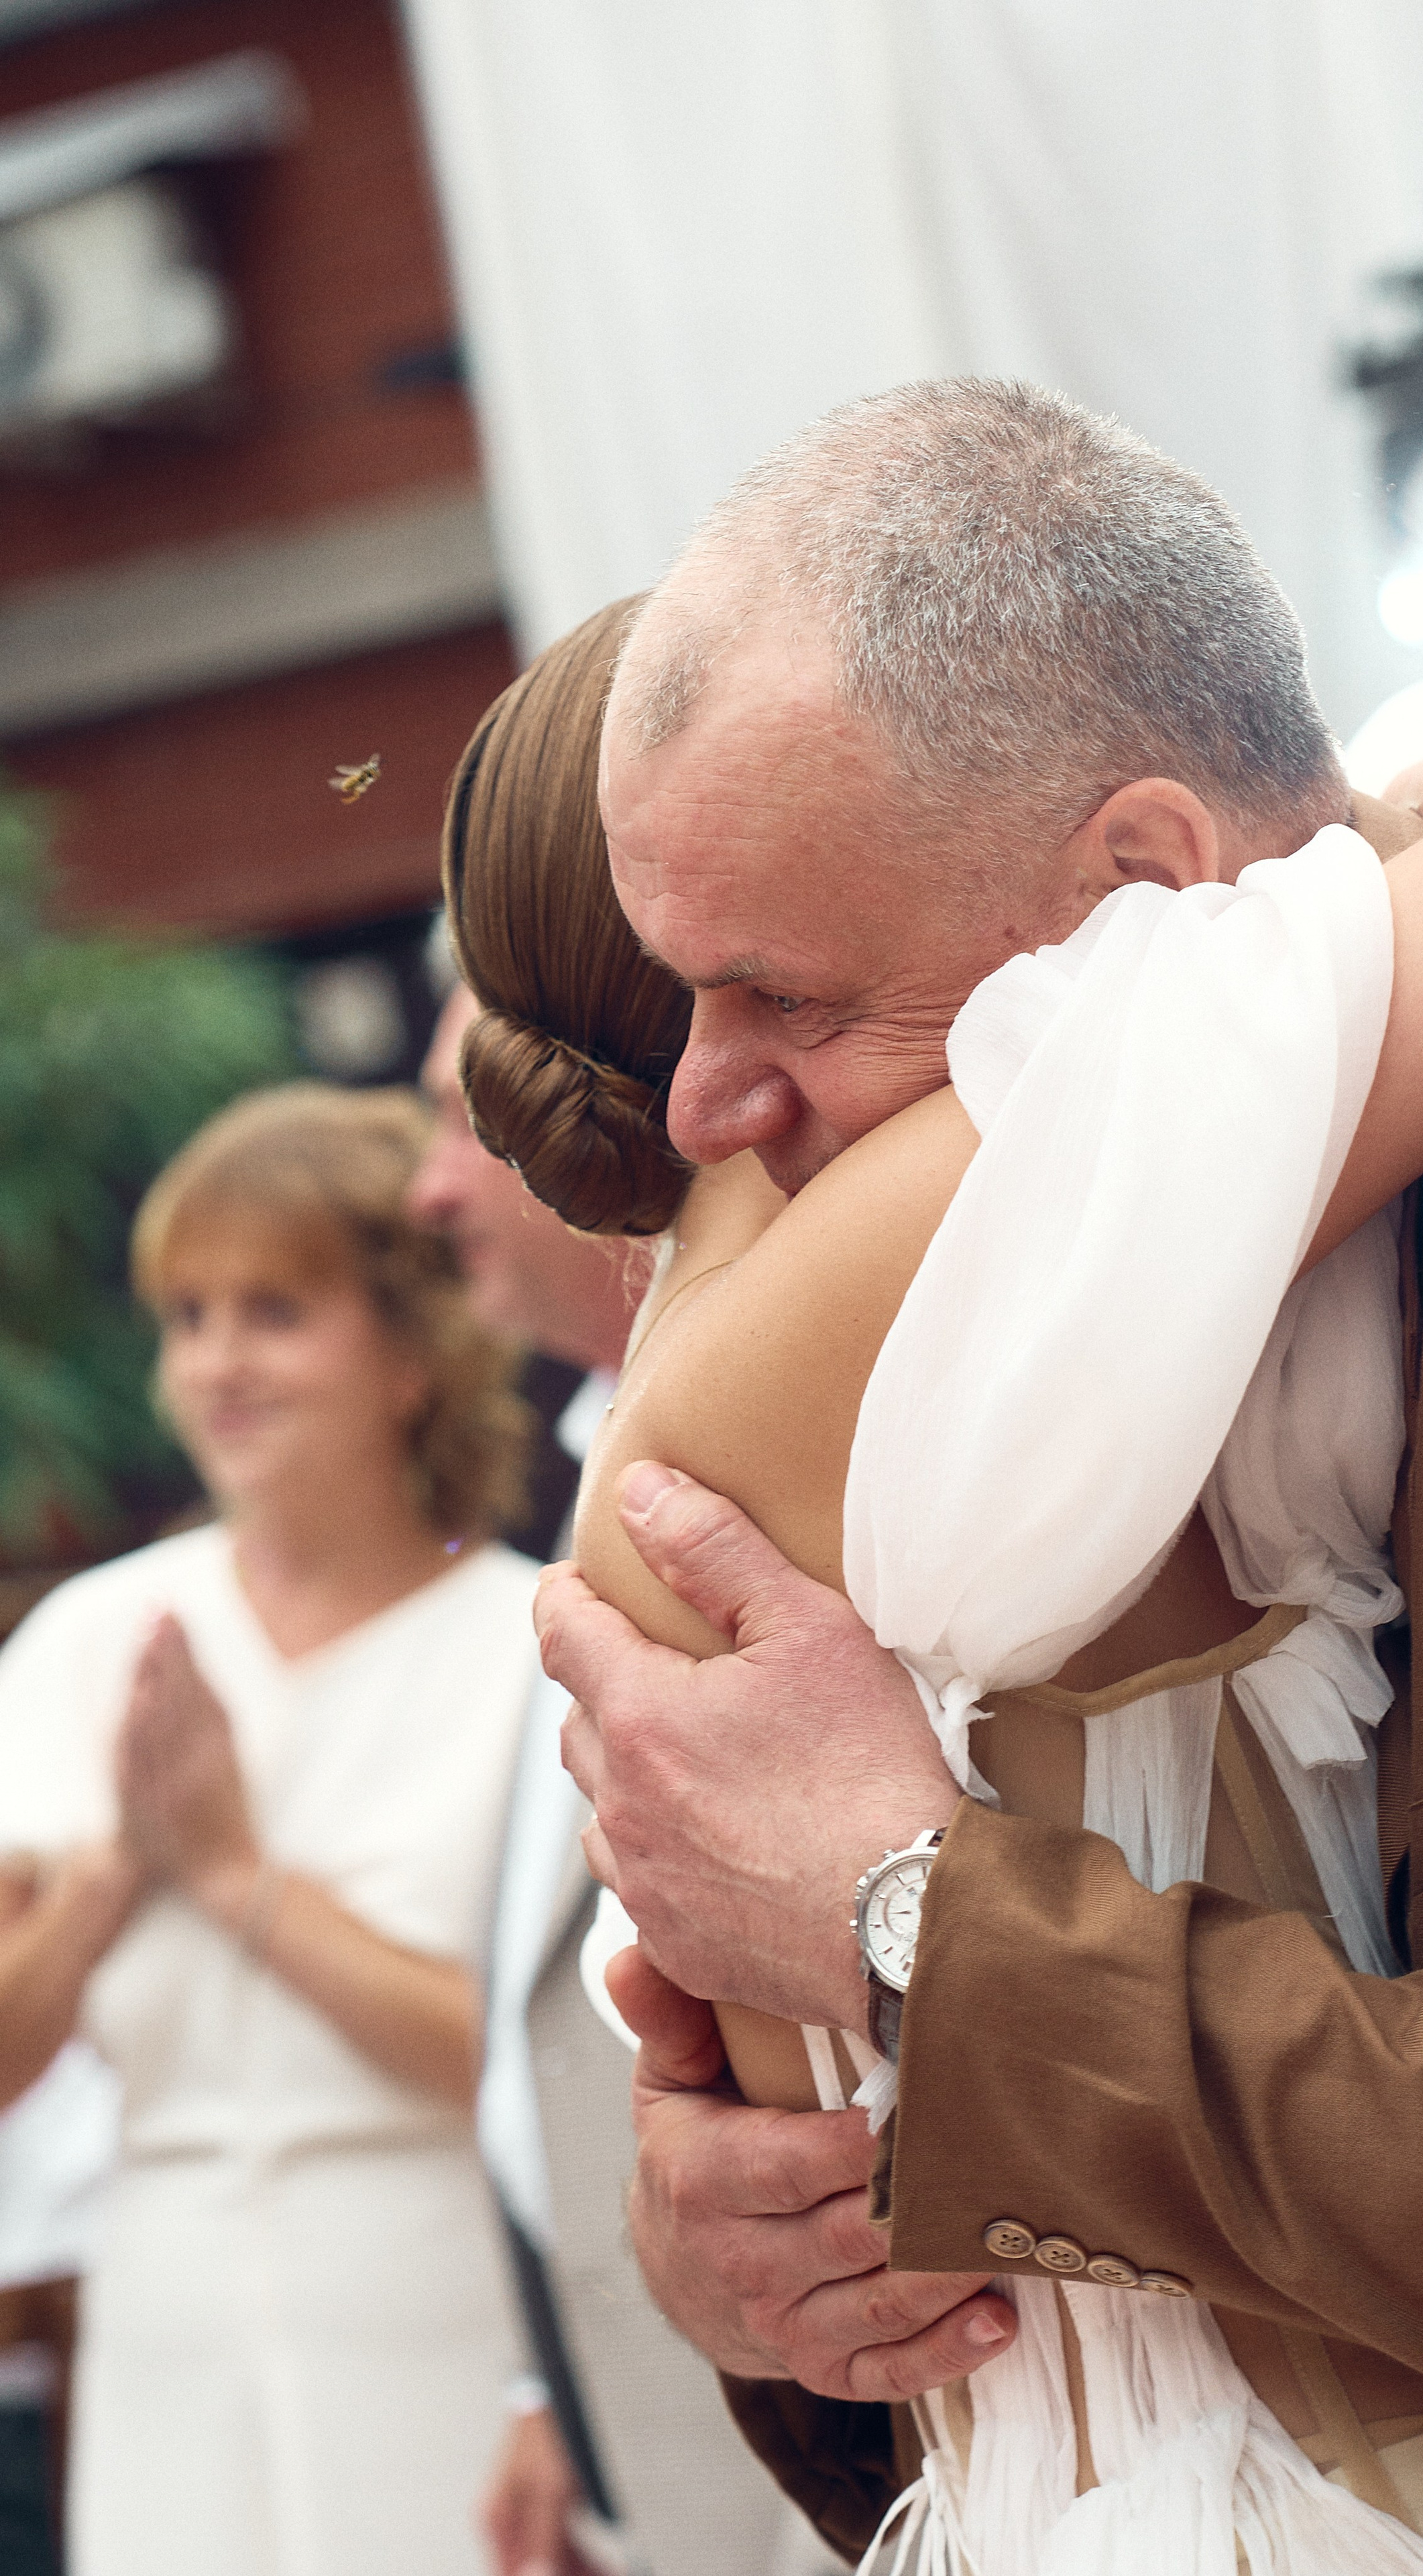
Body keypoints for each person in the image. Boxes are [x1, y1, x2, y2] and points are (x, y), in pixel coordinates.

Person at [490, 382, 1423, 2568]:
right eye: (679, 997)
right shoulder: (1048, 1348)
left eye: (779, 992)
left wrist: (912, 1928)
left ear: (1150, 889)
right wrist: (767, 2275)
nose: (701, 1113)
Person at [0, 1082, 539, 2576]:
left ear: (415, 1353)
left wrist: (240, 1877)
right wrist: (124, 1863)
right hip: (161, 2342)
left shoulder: (530, 1652)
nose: (216, 1364)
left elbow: (536, 2072)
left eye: (274, 1311)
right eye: (187, 1316)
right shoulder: (92, 1643)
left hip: (458, 2332)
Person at [410, 865, 819, 2576]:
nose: (427, 1192)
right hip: (653, 2469)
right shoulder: (601, 1448)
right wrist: (551, 2392)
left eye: (460, 1116)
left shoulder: (754, 1460)